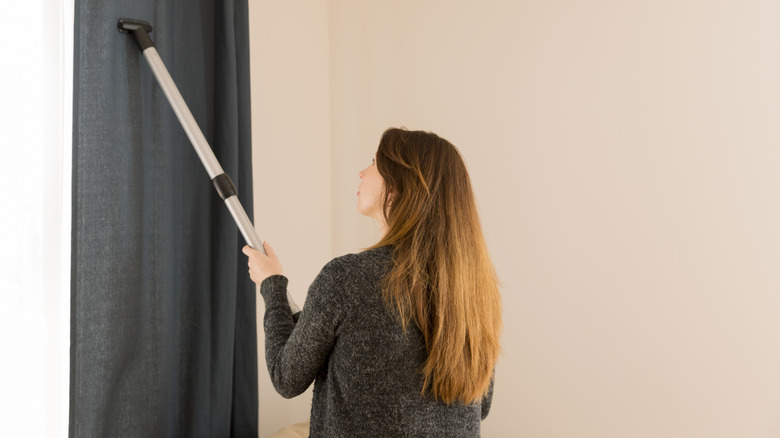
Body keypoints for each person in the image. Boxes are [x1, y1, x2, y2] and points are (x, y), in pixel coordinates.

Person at [243, 127, 502, 437]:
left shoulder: (345, 278)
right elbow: (479, 406)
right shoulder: (475, 292)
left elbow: (286, 377)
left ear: (395, 187)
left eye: (374, 164)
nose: (361, 172)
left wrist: (272, 286)